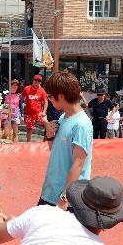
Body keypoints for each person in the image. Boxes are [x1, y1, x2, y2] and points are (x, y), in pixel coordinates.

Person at [39, 72, 93, 208]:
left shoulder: (81, 124)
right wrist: (50, 133)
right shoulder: (63, 117)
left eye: (50, 96)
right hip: (50, 192)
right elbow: (56, 150)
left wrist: (64, 199)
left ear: (61, 96)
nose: (49, 100)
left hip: (66, 200)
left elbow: (78, 164)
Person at [21, 74, 48, 142]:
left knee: (46, 124)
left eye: (39, 81)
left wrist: (44, 112)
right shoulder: (27, 88)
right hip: (29, 113)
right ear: (33, 80)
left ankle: (45, 142)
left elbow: (46, 102)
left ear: (40, 82)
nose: (37, 82)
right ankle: (28, 143)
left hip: (39, 113)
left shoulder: (42, 91)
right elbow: (21, 98)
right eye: (35, 80)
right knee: (29, 129)